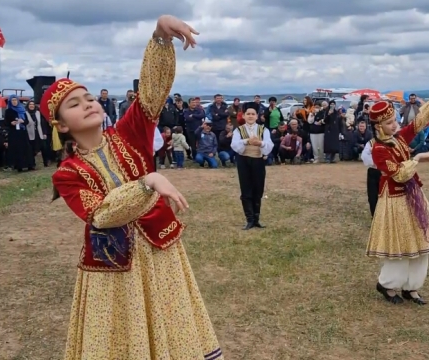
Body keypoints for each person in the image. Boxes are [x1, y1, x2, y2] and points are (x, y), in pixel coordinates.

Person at [42, 16, 222, 359]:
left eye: (89, 97)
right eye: (74, 104)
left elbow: (151, 95)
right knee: (122, 338)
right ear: (61, 125)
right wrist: (147, 182)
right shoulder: (67, 174)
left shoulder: (128, 133)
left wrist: (159, 38)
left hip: (158, 250)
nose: (88, 104)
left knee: (172, 327)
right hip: (113, 266)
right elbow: (101, 214)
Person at [366, 79, 429, 306]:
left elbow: (418, 122)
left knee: (421, 241)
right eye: (388, 123)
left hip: (413, 194)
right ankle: (388, 285)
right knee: (401, 242)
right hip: (395, 198)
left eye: (394, 120)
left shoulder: (398, 138)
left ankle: (412, 287)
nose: (394, 125)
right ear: (378, 126)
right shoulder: (377, 149)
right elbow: (398, 174)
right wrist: (417, 158)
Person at [231, 101, 274, 230]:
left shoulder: (263, 130)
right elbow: (234, 145)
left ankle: (256, 219)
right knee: (246, 189)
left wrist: (259, 144)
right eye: (248, 114)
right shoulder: (238, 130)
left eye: (253, 114)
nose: (250, 116)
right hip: (244, 161)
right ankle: (249, 219)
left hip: (258, 161)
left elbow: (269, 145)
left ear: (257, 116)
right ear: (243, 116)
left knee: (258, 189)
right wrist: (246, 141)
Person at [360, 138, 379, 217]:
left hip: (388, 171)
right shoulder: (371, 142)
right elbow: (364, 156)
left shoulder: (393, 141)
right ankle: (375, 216)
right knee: (372, 196)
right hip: (374, 171)